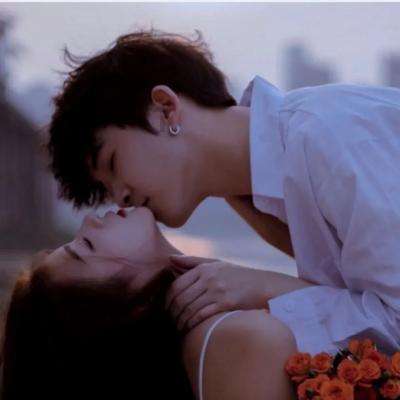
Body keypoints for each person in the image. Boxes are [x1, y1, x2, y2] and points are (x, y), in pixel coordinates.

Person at [47, 28, 400, 358]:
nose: (120, 197)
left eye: (112, 162)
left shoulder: (325, 140)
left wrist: (264, 286)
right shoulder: (265, 191)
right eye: (107, 191)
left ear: (165, 108)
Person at [0, 207, 314, 400]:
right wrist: (271, 286)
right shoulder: (237, 339)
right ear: (122, 309)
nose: (90, 220)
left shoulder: (221, 334)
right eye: (87, 246)